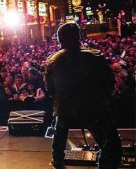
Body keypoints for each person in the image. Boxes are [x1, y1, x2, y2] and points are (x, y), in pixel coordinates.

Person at [45, 23, 122, 169]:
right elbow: (109, 82)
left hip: (65, 110)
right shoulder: (95, 56)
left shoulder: (52, 61)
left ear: (60, 39)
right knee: (110, 142)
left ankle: (57, 160)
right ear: (79, 36)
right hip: (94, 109)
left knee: (60, 128)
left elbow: (50, 90)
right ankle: (106, 162)